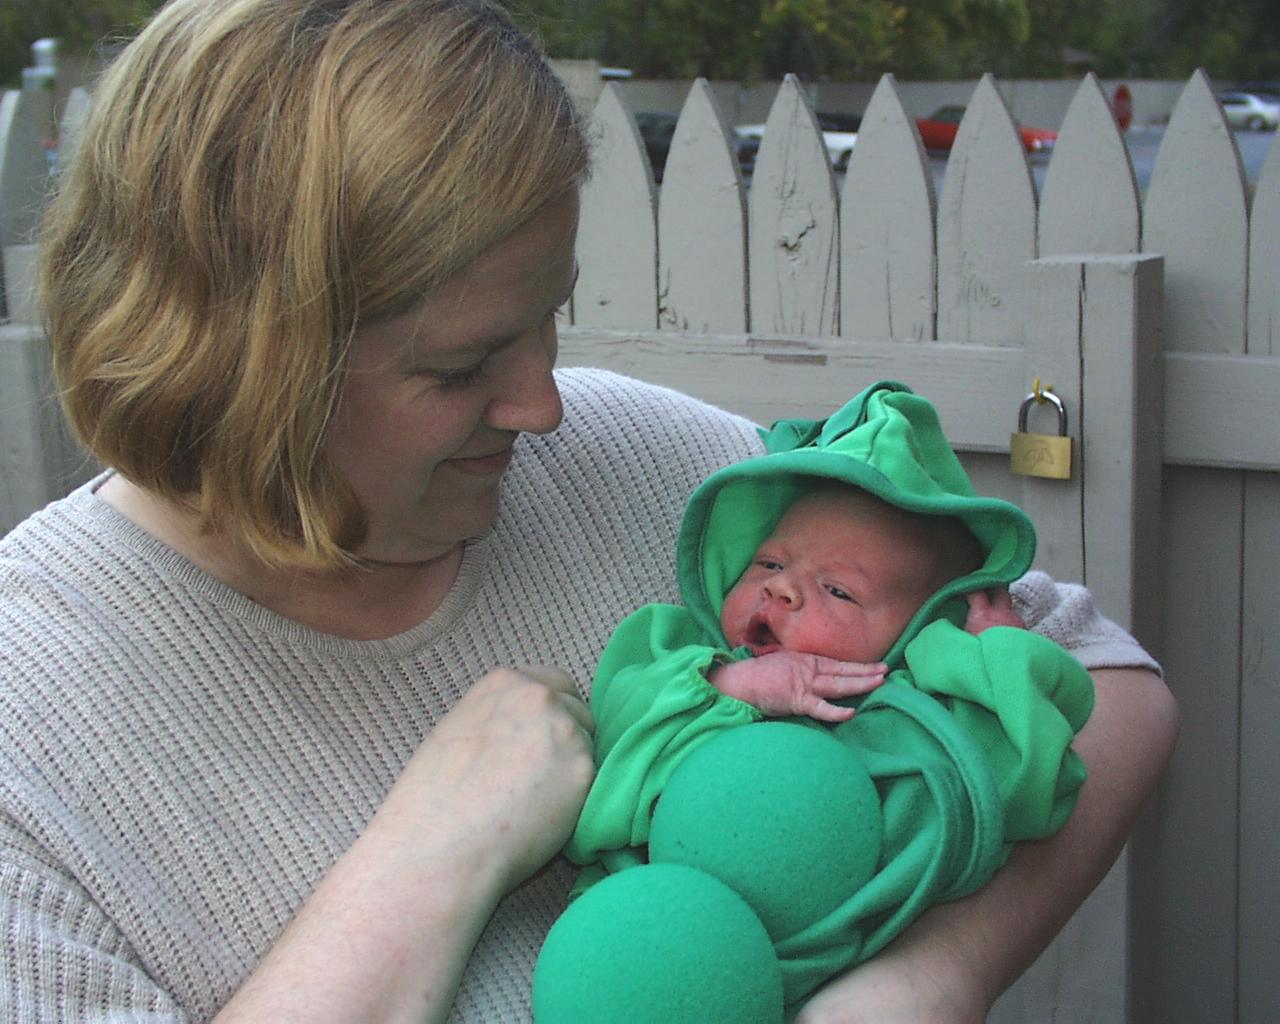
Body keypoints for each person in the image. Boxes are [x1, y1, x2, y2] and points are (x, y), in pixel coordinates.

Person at [0, 1, 1176, 1022]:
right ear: (231, 363)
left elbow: (1106, 677)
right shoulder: (31, 733)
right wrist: (429, 859)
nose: (542, 406)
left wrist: (928, 976)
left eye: (546, 317)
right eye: (459, 366)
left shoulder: (651, 467)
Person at [533, 383, 1097, 1021]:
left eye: (838, 590)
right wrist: (731, 687)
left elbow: (1028, 792)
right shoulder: (687, 659)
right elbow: (614, 761)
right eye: (769, 563)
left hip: (822, 976)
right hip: (658, 936)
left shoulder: (922, 722)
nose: (782, 590)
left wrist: (1003, 661)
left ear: (916, 629)